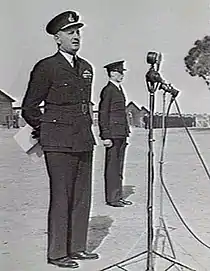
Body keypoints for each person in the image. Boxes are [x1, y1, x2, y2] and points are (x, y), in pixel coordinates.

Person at [21, 10, 99, 269]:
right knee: (61, 196)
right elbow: (29, 107)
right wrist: (47, 131)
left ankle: (77, 247)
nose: (76, 36)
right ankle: (57, 254)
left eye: (78, 31)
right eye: (70, 32)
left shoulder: (87, 68)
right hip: (58, 143)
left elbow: (85, 105)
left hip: (84, 140)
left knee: (82, 196)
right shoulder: (47, 67)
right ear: (57, 38)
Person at [98, 60, 133, 207]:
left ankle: (118, 196)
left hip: (121, 133)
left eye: (122, 72)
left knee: (118, 166)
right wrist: (105, 135)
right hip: (112, 134)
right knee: (112, 167)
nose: (122, 75)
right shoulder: (108, 90)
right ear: (112, 73)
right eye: (119, 72)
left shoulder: (118, 89)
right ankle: (112, 198)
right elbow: (103, 113)